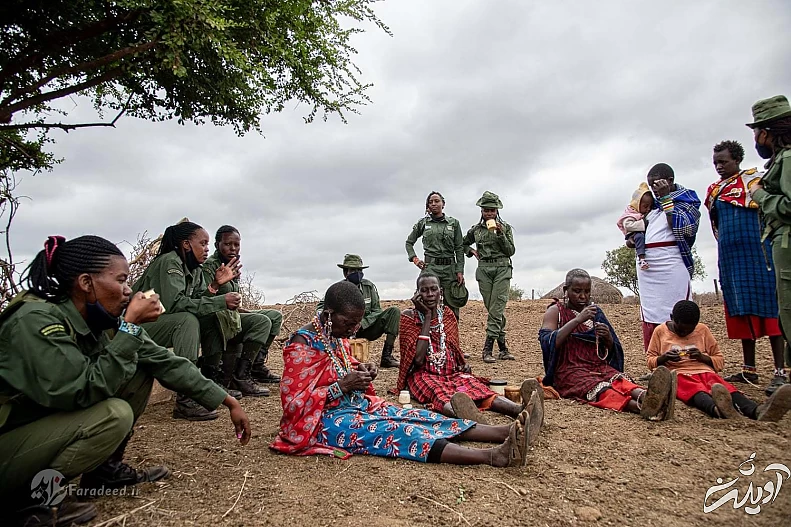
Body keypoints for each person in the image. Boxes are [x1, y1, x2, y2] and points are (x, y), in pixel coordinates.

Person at [0, 236, 250, 527]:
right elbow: (80, 391)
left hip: (31, 424)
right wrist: (130, 327)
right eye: (120, 280)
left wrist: (225, 399)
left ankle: (103, 470)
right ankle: (25, 500)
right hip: (9, 435)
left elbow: (163, 360)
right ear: (85, 282)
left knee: (139, 367)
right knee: (113, 415)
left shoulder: (95, 316)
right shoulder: (36, 320)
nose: (128, 290)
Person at [270, 281, 543, 468]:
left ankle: (506, 431)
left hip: (355, 406)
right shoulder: (301, 346)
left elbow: (343, 364)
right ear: (329, 314)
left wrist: (362, 371)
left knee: (419, 415)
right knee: (398, 431)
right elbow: (294, 405)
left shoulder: (334, 333)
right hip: (322, 422)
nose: (354, 330)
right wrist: (341, 387)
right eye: (348, 323)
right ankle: (494, 456)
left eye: (357, 324)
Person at [395, 271, 540, 427]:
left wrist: (462, 365)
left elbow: (453, 350)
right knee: (438, 393)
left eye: (433, 289)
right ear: (417, 294)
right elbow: (417, 359)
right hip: (423, 374)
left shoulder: (447, 315)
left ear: (440, 292)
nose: (429, 294)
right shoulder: (408, 317)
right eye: (424, 290)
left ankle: (521, 409)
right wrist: (427, 317)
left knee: (476, 387)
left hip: (451, 372)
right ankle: (469, 419)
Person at [132, 221, 242, 420]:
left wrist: (216, 285)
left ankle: (208, 379)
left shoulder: (195, 269)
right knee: (186, 320)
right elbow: (175, 305)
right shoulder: (170, 262)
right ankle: (185, 399)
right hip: (135, 326)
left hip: (159, 323)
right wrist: (219, 300)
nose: (207, 249)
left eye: (208, 244)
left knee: (209, 316)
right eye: (203, 243)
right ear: (186, 244)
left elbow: (199, 298)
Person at [705, 140, 787, 394]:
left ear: (737, 160)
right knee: (740, 309)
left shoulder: (754, 183)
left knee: (770, 308)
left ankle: (780, 370)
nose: (719, 167)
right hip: (731, 256)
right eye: (716, 162)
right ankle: (749, 368)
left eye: (724, 161)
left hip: (758, 253)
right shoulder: (715, 191)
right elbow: (716, 224)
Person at [539, 268, 675, 419]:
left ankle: (649, 397)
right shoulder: (555, 311)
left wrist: (608, 339)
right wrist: (577, 320)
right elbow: (547, 342)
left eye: (587, 291)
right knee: (602, 389)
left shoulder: (595, 312)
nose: (583, 296)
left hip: (598, 366)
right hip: (570, 370)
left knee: (620, 380)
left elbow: (612, 349)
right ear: (566, 290)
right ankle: (641, 408)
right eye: (577, 291)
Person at [646, 300, 791, 421]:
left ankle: (758, 411)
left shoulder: (702, 330)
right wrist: (663, 358)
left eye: (690, 330)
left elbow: (719, 360)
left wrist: (703, 357)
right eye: (681, 330)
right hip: (679, 374)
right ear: (672, 318)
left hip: (705, 371)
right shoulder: (660, 331)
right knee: (696, 391)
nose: (685, 333)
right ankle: (718, 410)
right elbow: (650, 360)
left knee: (726, 388)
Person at [201, 225, 283, 397]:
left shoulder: (232, 265)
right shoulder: (210, 267)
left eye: (236, 245)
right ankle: (241, 377)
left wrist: (247, 311)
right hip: (217, 319)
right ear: (217, 245)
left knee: (274, 316)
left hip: (230, 316)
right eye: (227, 244)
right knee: (261, 322)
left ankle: (255, 366)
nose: (232, 249)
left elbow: (234, 305)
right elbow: (203, 298)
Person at [636, 163, 701, 350]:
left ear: (670, 181)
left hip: (671, 264)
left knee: (677, 309)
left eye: (657, 184)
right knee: (650, 312)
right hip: (648, 269)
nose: (654, 189)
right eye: (651, 186)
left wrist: (666, 199)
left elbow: (682, 228)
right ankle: (656, 361)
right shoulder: (651, 206)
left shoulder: (688, 201)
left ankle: (681, 357)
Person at [747, 94, 791, 372]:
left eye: (757, 132)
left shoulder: (787, 158)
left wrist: (761, 196)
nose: (757, 139)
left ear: (767, 132)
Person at [316, 254, 401, 368]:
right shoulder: (339, 289)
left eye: (359, 270)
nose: (357, 273)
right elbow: (321, 307)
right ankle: (340, 356)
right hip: (344, 330)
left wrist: (363, 323)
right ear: (345, 272)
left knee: (394, 312)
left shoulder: (368, 287)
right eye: (353, 270)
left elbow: (377, 310)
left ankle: (387, 356)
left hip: (366, 329)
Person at [462, 191, 516, 362]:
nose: (489, 213)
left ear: (497, 211)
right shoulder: (476, 230)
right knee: (494, 310)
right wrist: (470, 251)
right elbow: (462, 243)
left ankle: (487, 349)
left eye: (492, 210)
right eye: (486, 210)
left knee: (497, 308)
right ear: (482, 211)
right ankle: (503, 349)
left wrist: (500, 235)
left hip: (502, 268)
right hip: (484, 269)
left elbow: (511, 251)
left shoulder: (505, 228)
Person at [405, 191, 466, 320]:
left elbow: (459, 248)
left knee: (453, 303)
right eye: (430, 202)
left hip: (450, 268)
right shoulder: (423, 223)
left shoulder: (454, 223)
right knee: (424, 299)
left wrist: (460, 270)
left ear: (443, 204)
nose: (434, 204)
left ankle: (451, 335)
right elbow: (409, 243)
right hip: (430, 267)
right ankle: (426, 332)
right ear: (428, 206)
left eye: (437, 201)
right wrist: (415, 259)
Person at [616, 182, 654, 271]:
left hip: (640, 231)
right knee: (640, 237)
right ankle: (642, 259)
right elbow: (628, 225)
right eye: (645, 206)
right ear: (637, 204)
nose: (648, 209)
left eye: (650, 206)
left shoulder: (643, 213)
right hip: (633, 234)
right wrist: (643, 223)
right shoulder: (630, 214)